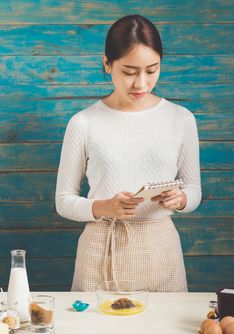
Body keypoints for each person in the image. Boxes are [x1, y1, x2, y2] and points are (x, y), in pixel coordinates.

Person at [55, 14, 201, 292]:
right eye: (129, 72)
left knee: (165, 333)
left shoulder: (181, 119)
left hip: (161, 246)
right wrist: (104, 207)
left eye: (152, 70)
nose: (141, 84)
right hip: (101, 245)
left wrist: (181, 199)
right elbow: (63, 201)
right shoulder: (83, 122)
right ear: (107, 64)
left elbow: (194, 190)